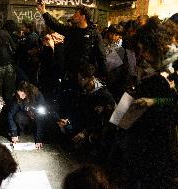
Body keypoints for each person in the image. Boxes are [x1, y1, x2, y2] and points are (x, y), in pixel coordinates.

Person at [120, 16, 178, 188]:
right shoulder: (158, 66)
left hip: (165, 137)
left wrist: (154, 101)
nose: (142, 56)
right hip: (150, 136)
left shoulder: (172, 65)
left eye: (143, 50)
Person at [37, 2, 107, 82]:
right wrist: (43, 11)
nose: (73, 16)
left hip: (85, 76)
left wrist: (103, 75)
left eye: (76, 14)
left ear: (83, 17)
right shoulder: (71, 30)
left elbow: (101, 55)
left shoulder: (94, 33)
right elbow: (56, 25)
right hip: (69, 73)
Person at [8, 81, 46, 149]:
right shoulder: (18, 97)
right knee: (18, 116)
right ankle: (24, 131)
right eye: (18, 95)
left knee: (42, 119)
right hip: (26, 119)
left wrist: (39, 139)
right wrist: (14, 133)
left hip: (37, 118)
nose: (21, 97)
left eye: (22, 95)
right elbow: (10, 114)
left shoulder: (37, 95)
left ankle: (34, 131)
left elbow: (41, 118)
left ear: (27, 92)